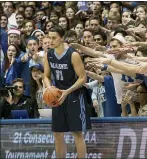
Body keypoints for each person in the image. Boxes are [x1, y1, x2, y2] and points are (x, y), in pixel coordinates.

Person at [43, 25, 91, 158]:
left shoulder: (73, 54)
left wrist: (67, 91)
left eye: (54, 38)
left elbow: (83, 78)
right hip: (57, 96)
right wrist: (49, 88)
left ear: (62, 38)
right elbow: (46, 75)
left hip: (74, 95)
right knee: (57, 133)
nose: (51, 41)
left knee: (77, 133)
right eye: (49, 38)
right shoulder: (48, 54)